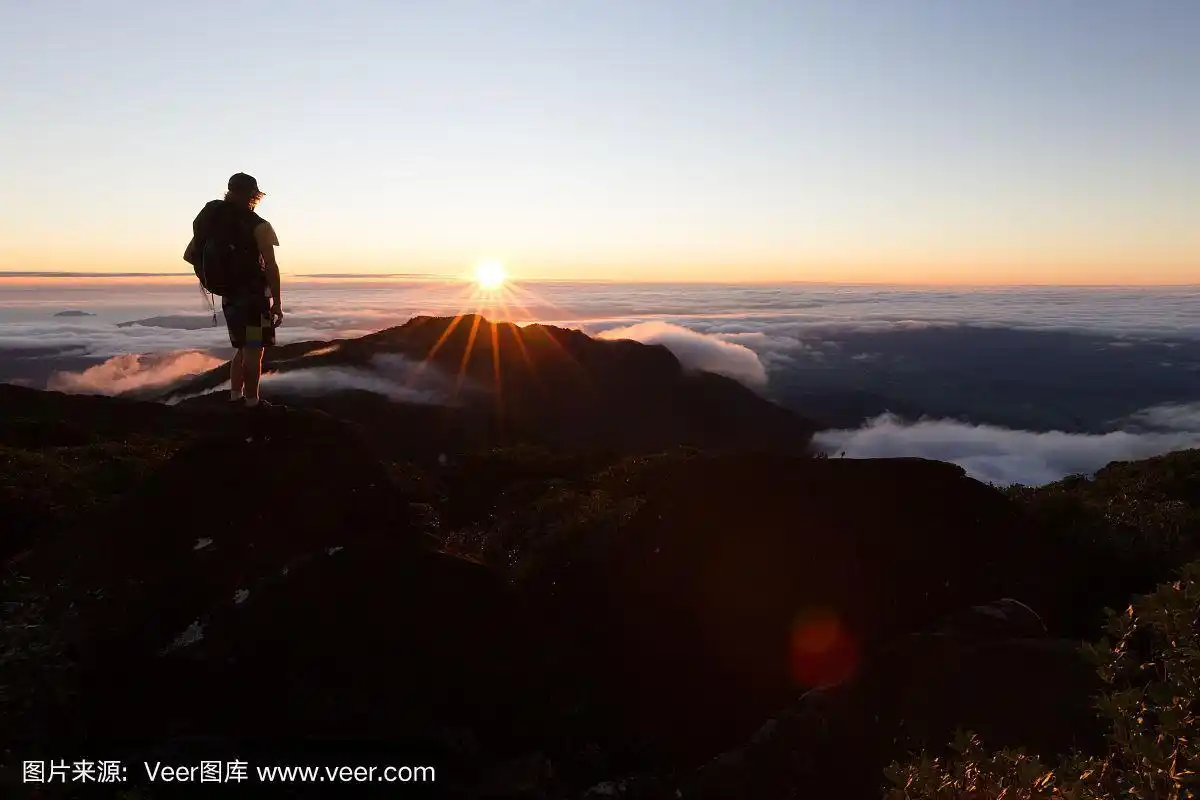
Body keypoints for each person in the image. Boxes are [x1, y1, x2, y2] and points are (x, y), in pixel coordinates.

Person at [187, 173, 284, 408]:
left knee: (242, 347)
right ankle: (252, 403)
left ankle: (235, 397)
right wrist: (277, 303)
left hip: (229, 296)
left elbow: (190, 255)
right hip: (253, 299)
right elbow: (271, 266)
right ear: (254, 195)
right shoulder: (259, 225)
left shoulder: (213, 220)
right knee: (253, 350)